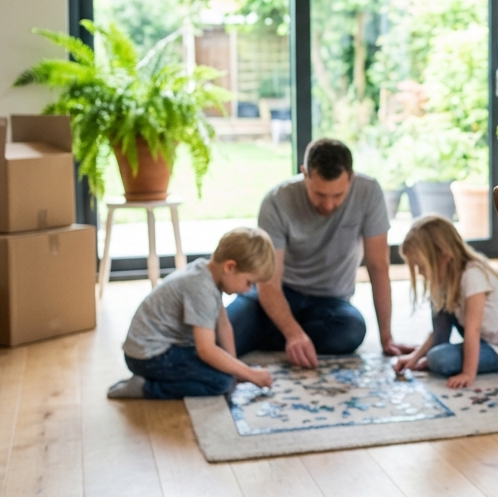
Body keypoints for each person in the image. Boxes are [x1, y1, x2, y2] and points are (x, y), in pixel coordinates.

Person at [227, 138, 414, 368]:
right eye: (320, 194)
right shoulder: (276, 201)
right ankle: (286, 333)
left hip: (330, 302)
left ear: (351, 177)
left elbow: (378, 266)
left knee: (351, 331)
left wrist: (387, 337)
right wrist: (293, 333)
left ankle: (270, 333)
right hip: (278, 293)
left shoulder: (369, 192)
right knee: (222, 336)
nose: (328, 205)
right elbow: (268, 283)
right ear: (304, 174)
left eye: (337, 196)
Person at [107, 227, 276, 399]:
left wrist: (237, 369)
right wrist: (248, 373)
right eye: (249, 282)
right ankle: (146, 387)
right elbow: (206, 350)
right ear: (230, 267)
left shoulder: (207, 272)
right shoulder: (202, 289)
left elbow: (223, 325)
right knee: (221, 382)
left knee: (226, 371)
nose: (248, 290)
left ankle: (151, 381)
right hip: (149, 357)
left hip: (160, 347)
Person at [394, 214, 498, 388]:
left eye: (421, 266)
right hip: (480, 340)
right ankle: (437, 350)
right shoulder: (448, 276)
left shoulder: (473, 275)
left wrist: (467, 373)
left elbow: (473, 329)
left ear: (444, 256)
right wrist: (415, 357)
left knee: (439, 359)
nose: (419, 272)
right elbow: (438, 329)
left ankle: (440, 355)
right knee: (439, 302)